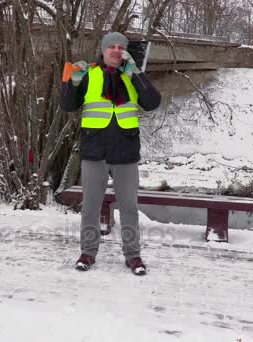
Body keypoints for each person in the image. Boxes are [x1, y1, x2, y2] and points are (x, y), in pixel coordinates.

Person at [60, 32, 161, 275]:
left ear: (125, 51)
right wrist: (71, 81)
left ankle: (133, 256)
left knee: (129, 208)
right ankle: (88, 253)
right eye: (111, 47)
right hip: (94, 152)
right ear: (103, 50)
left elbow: (152, 102)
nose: (116, 50)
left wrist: (136, 73)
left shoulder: (132, 75)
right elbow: (68, 105)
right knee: (90, 208)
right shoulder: (89, 74)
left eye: (121, 47)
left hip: (125, 153)